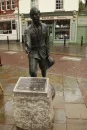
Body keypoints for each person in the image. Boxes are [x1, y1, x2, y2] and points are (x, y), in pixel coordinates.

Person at [24, 7, 54, 77]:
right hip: (33, 52)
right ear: (30, 17)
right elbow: (27, 41)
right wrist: (27, 48)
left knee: (44, 68)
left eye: (36, 14)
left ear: (39, 14)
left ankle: (44, 80)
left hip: (43, 51)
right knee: (32, 72)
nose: (35, 16)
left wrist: (48, 53)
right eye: (33, 15)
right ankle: (35, 83)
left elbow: (47, 41)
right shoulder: (28, 30)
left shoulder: (45, 27)